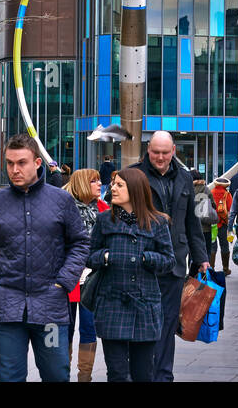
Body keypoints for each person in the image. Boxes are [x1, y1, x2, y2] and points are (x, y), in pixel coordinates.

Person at [0, 134, 89, 382]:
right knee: (10, 376)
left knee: (56, 374)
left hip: (51, 308)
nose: (14, 169)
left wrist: (64, 282)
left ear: (37, 163)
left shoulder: (61, 201)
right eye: (10, 163)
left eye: (21, 162)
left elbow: (80, 242)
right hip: (6, 309)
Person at [129, 131, 209, 382]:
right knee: (142, 324)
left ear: (174, 150)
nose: (160, 157)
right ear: (148, 150)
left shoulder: (185, 177)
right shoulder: (134, 175)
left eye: (165, 152)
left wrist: (201, 257)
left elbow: (192, 221)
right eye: (155, 152)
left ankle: (163, 376)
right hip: (143, 264)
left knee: (167, 324)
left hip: (175, 263)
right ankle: (142, 373)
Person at [87, 168, 175, 382]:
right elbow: (89, 256)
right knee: (116, 373)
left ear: (135, 190)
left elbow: (169, 260)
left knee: (143, 373)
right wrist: (106, 256)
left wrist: (147, 259)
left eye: (119, 185)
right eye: (113, 184)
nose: (112, 189)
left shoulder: (158, 222)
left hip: (144, 304)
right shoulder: (104, 220)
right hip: (112, 303)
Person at [64, 168, 109, 382]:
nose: (100, 184)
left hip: (93, 278)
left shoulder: (104, 209)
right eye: (94, 181)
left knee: (89, 327)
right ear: (82, 184)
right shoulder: (64, 208)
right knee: (66, 326)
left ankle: (85, 376)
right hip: (67, 277)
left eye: (99, 180)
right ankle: (62, 372)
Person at [209, 176, 232, 273]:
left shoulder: (211, 192)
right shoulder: (227, 194)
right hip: (223, 223)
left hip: (212, 224)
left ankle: (211, 268)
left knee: (212, 246)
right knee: (224, 245)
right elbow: (230, 208)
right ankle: (225, 268)